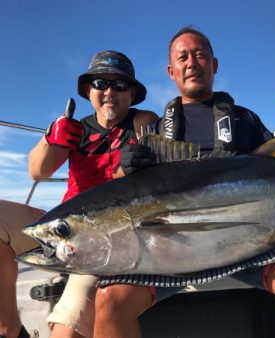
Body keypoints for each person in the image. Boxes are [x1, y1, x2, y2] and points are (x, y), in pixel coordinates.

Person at [93, 27, 275, 338]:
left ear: (214, 65)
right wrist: (123, 168)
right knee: (109, 301)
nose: (192, 62)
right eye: (183, 57)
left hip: (244, 244)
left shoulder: (244, 119)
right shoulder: (151, 129)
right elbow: (124, 194)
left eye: (200, 55)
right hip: (169, 252)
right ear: (171, 70)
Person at [0, 50, 158, 338]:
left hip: (108, 235)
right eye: (100, 83)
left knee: (66, 329)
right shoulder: (75, 129)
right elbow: (37, 171)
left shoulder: (142, 122)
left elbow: (155, 170)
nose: (110, 91)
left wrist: (128, 167)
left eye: (120, 85)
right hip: (63, 228)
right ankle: (8, 328)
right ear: (88, 90)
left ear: (132, 93)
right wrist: (51, 139)